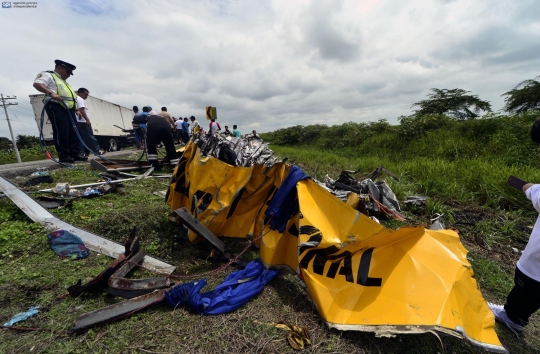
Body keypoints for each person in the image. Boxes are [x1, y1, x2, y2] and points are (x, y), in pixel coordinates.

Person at [489, 182, 540, 335]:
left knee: (526, 288)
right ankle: (516, 315)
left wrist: (531, 188)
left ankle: (513, 318)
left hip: (536, 266)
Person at [33, 59, 86, 163]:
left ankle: (75, 153)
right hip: (55, 106)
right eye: (68, 72)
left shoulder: (63, 81)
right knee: (62, 131)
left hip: (69, 109)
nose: (69, 75)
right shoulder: (48, 75)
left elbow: (70, 96)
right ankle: (64, 155)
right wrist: (50, 93)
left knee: (73, 131)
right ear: (59, 68)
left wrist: (76, 109)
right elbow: (37, 84)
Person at [75, 88, 104, 155]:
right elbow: (82, 110)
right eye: (85, 94)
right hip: (83, 121)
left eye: (87, 95)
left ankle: (81, 152)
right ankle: (97, 151)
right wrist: (87, 120)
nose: (86, 96)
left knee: (80, 138)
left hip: (78, 121)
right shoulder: (80, 99)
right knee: (90, 137)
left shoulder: (75, 99)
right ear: (80, 93)